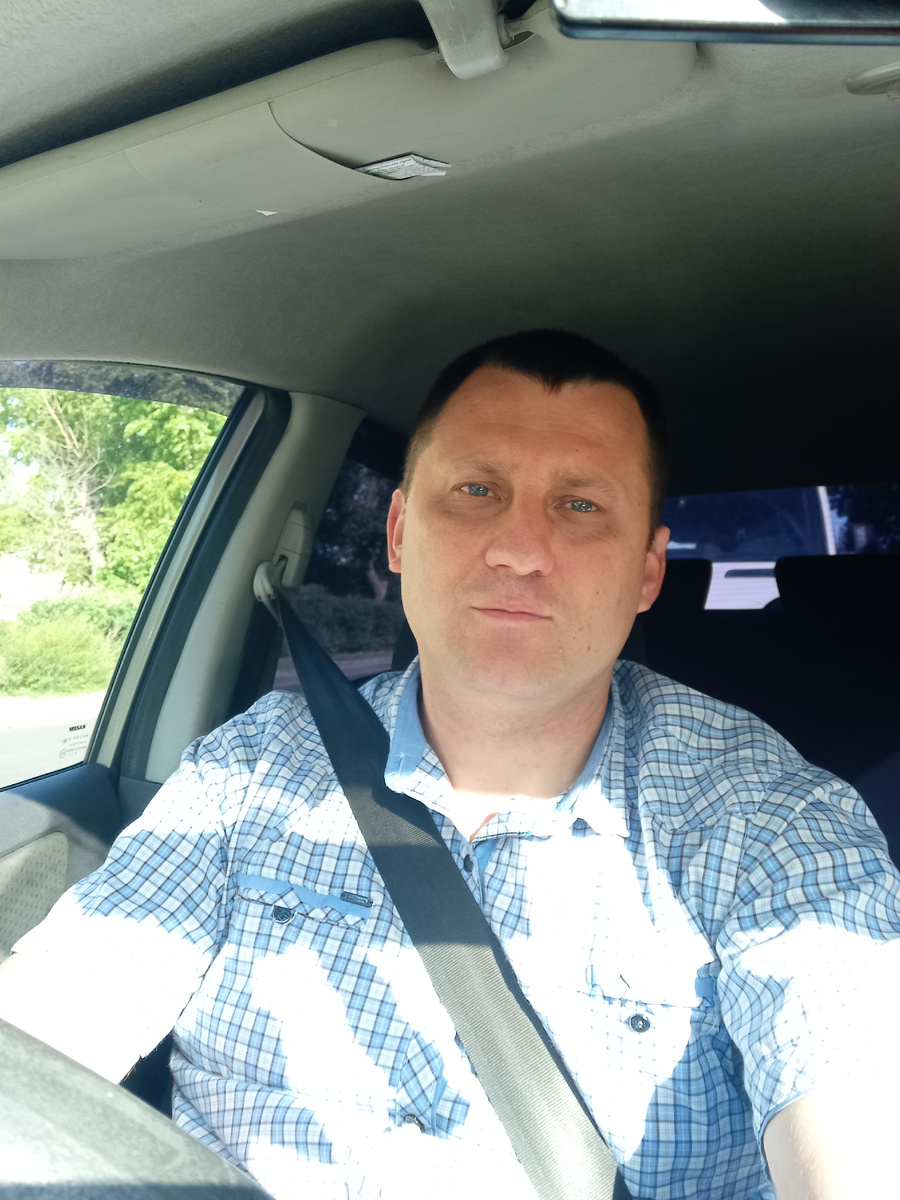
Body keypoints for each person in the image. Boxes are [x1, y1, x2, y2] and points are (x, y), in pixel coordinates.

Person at [0, 330, 898, 1200]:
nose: (519, 549)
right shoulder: (248, 771)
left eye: (581, 506)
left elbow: (852, 1086)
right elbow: (54, 1019)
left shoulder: (767, 819)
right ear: (398, 533)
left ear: (647, 573)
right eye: (476, 490)